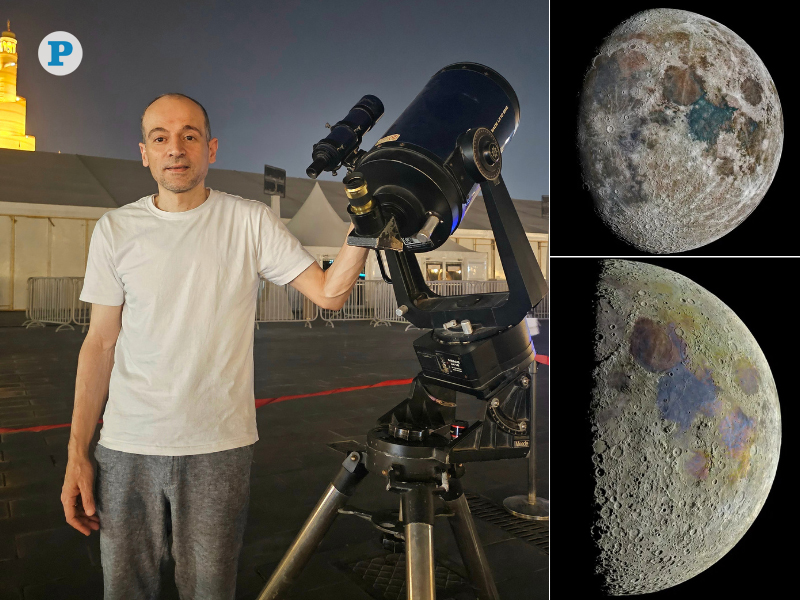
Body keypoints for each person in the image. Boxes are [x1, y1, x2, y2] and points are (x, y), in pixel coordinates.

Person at [59, 93, 368, 599]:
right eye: (160, 138)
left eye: (189, 135)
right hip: (126, 445)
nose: (175, 148)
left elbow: (328, 294)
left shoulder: (249, 221)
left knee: (210, 590)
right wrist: (78, 453)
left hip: (217, 448)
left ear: (212, 149)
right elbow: (100, 343)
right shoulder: (115, 229)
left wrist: (366, 226)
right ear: (144, 152)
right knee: (123, 589)